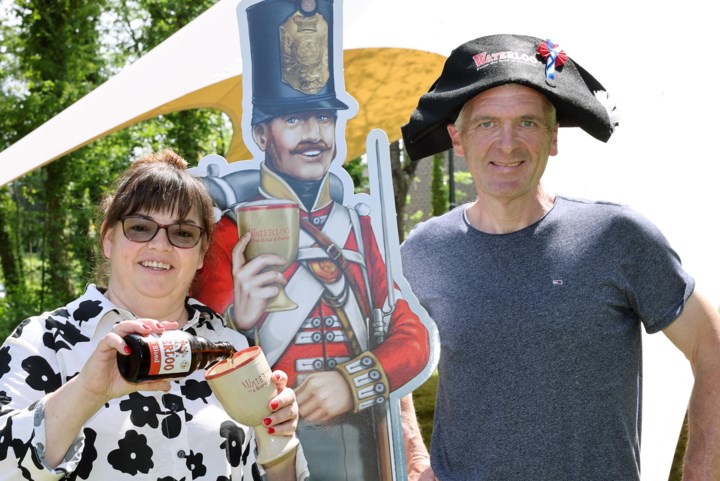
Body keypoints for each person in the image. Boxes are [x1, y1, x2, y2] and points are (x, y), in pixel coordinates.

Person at [398, 34, 720, 480]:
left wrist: (701, 471)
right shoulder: (423, 251)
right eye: (487, 123)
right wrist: (414, 455)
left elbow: (712, 344)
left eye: (527, 123)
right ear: (457, 138)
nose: (507, 144)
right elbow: (382, 351)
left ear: (553, 138)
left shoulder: (616, 237)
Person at [192, 0, 432, 479]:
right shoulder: (229, 233)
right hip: (266, 443)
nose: (314, 135)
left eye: (323, 119)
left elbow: (413, 336)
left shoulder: (359, 228)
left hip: (364, 444)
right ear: (261, 133)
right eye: (295, 120)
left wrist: (352, 383)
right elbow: (197, 353)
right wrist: (239, 318)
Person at [0, 150, 308, 480]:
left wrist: (279, 438)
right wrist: (87, 392)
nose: (161, 245)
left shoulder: (230, 348)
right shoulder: (46, 341)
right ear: (108, 239)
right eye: (140, 227)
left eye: (183, 233)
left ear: (202, 253)